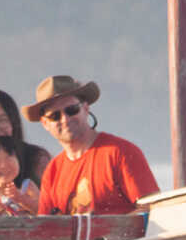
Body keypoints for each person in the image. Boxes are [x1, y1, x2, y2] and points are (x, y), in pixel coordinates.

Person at [25, 75, 159, 215]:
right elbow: (47, 230)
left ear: (86, 108)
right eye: (55, 116)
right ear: (45, 123)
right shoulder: (52, 172)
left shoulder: (120, 153)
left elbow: (152, 211)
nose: (65, 119)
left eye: (71, 110)